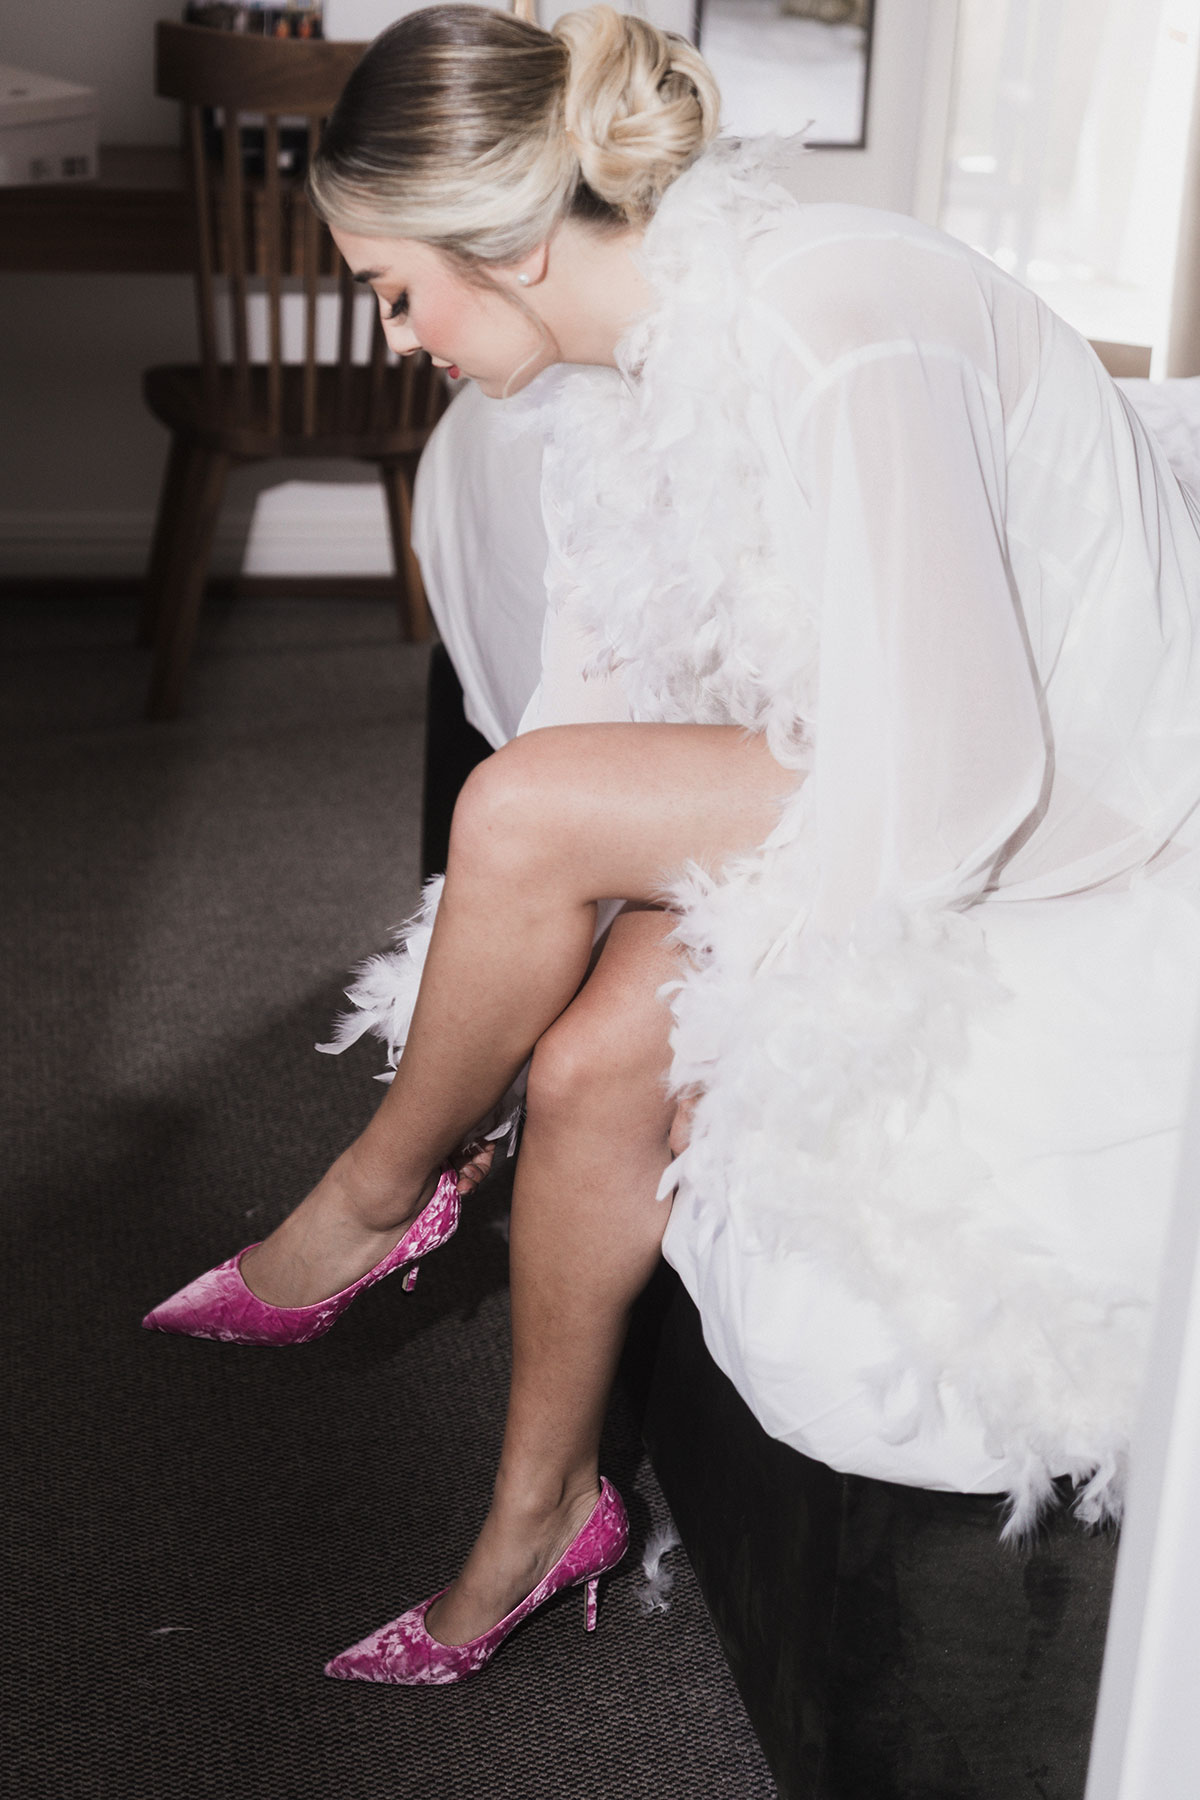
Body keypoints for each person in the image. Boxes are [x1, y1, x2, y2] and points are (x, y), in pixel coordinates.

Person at [143, 3, 1200, 1686]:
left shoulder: (834, 321)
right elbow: (602, 709)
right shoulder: (600, 396)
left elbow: (967, 760)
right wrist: (562, 948)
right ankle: (537, 1513)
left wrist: (743, 952)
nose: (398, 335)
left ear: (504, 239)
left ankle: (375, 1194)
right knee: (581, 1071)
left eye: (394, 287)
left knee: (522, 811)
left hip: (1062, 788)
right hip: (862, 749)